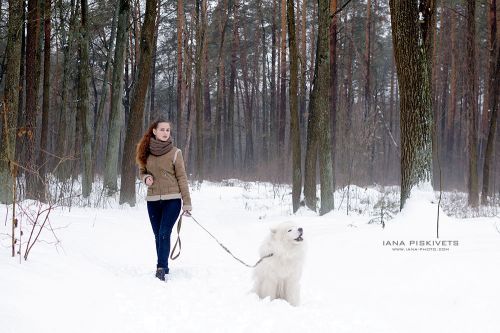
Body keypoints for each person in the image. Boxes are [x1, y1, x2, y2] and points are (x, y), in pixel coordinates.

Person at [136, 119, 192, 281]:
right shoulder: (145, 151)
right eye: (162, 130)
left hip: (172, 200)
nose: (166, 133)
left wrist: (186, 203)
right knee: (157, 235)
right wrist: (146, 178)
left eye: (168, 130)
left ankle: (160, 268)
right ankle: (164, 266)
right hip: (152, 200)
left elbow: (182, 177)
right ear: (154, 131)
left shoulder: (175, 152)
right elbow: (142, 171)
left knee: (164, 232)